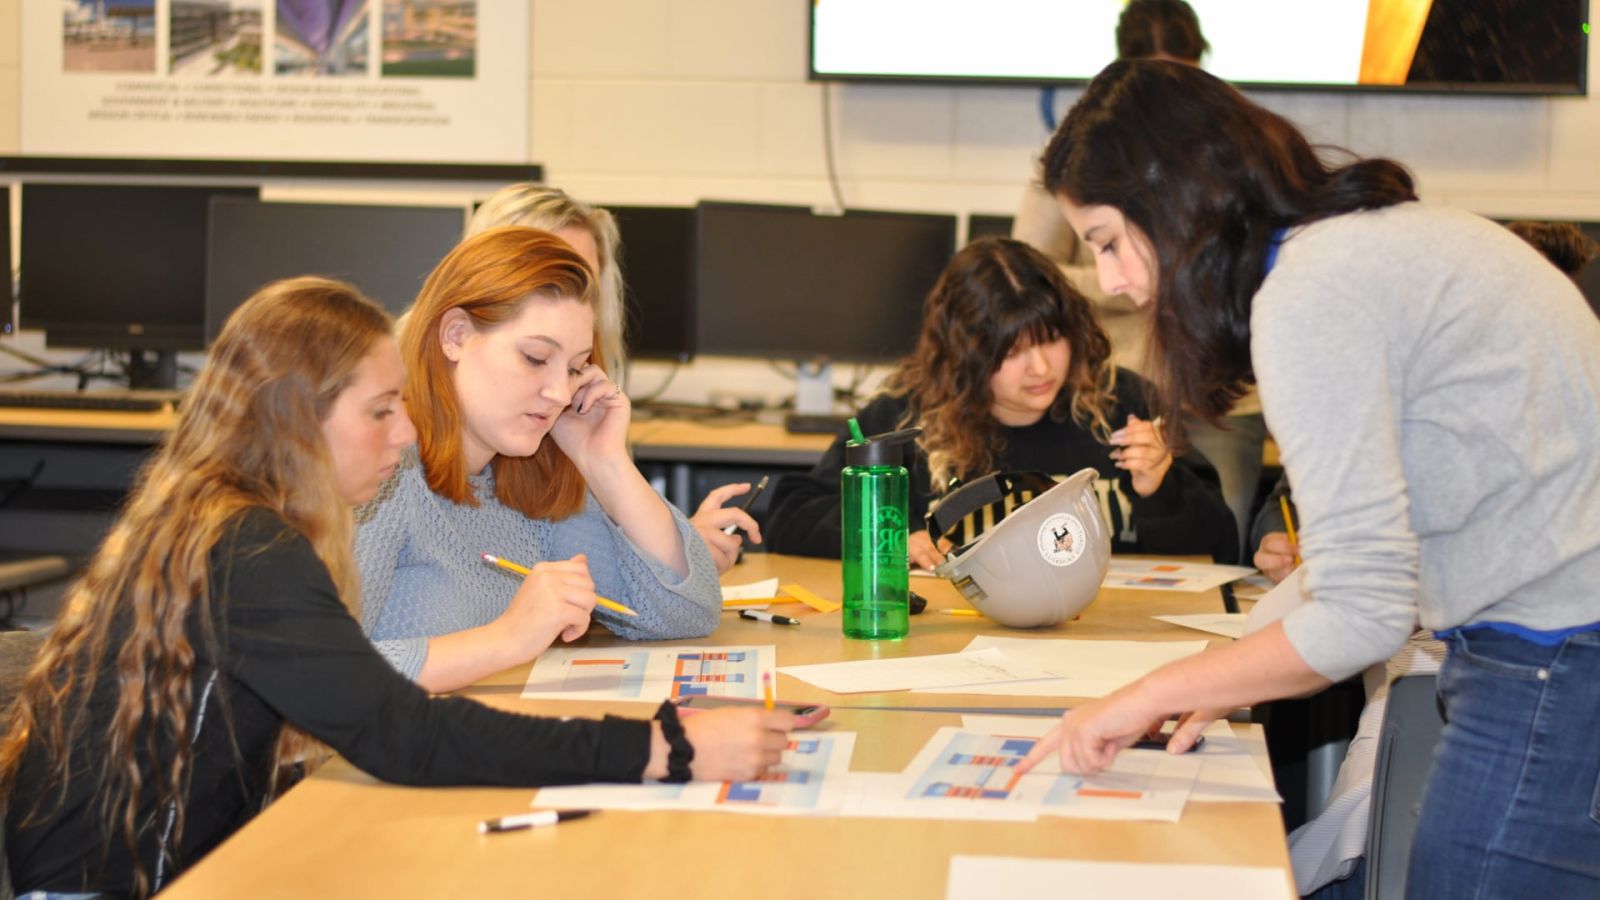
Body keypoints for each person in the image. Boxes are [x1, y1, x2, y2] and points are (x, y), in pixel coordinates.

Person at [0, 278, 793, 898]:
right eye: (380, 411)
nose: (407, 433)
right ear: (297, 419)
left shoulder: (232, 520)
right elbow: (404, 732)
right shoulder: (247, 547)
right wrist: (667, 748)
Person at [1016, 60, 1600, 898]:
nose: (1108, 280)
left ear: (1174, 196)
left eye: (1108, 239)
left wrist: (1147, 696)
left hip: (1556, 654)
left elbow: (1364, 612)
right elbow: (1370, 562)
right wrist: (1227, 679)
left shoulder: (1309, 295)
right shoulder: (1359, 244)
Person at [357, 227, 725, 693]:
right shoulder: (382, 473)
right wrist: (508, 638)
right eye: (535, 358)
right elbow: (319, 671)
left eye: (574, 368)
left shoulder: (527, 472)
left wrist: (605, 462)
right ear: (455, 336)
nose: (559, 393)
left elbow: (689, 613)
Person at [764, 237, 1236, 567]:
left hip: (1105, 643)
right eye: (1011, 352)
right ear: (966, 356)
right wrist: (883, 539)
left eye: (1051, 340)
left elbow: (1220, 541)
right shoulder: (905, 417)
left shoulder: (1121, 401)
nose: (1040, 368)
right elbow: (790, 515)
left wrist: (1163, 487)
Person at [1013, 0, 1266, 557]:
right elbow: (1027, 276)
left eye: (1185, 77)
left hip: (1221, 401)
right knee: (1116, 551)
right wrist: (1130, 280)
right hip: (1122, 389)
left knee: (1227, 550)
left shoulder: (1228, 159)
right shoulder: (1078, 157)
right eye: (1156, 79)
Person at [467, 184, 762, 571]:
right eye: (544, 275)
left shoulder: (584, 401)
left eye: (580, 279)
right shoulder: (411, 431)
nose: (565, 295)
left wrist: (677, 543)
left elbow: (601, 566)